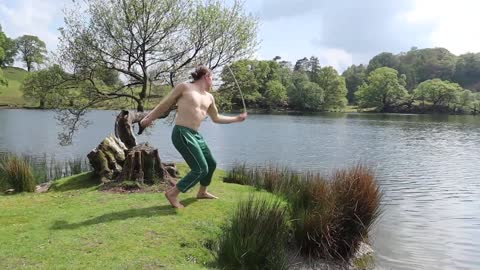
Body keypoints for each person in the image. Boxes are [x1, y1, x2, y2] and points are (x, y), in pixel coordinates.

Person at [139, 65, 247, 208]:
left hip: (195, 135)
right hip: (181, 132)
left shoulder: (210, 97)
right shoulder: (184, 87)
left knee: (211, 164)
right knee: (200, 169)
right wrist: (148, 118)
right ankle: (172, 193)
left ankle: (202, 192)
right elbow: (165, 104)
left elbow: (216, 118)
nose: (213, 83)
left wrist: (236, 119)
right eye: (212, 79)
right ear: (206, 76)